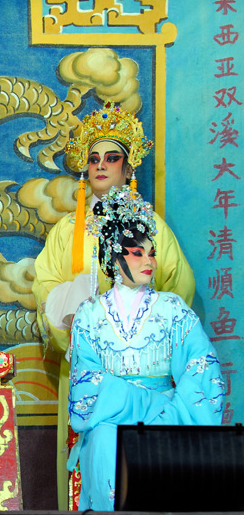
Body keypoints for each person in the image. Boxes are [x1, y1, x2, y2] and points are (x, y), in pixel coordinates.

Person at [31, 103, 195, 509]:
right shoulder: (67, 230)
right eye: (93, 159)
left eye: (112, 157)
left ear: (128, 168)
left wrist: (149, 330)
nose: (101, 166)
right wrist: (68, 319)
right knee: (92, 463)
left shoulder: (150, 227)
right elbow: (45, 286)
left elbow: (180, 285)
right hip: (89, 364)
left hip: (143, 371)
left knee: (141, 471)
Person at [67, 185, 224, 510]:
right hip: (111, 422)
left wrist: (172, 413)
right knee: (106, 446)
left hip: (169, 417)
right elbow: (85, 385)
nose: (148, 260)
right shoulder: (89, 314)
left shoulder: (173, 309)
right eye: (137, 253)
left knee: (163, 448)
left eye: (150, 252)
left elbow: (202, 368)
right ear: (113, 253)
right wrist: (146, 403)